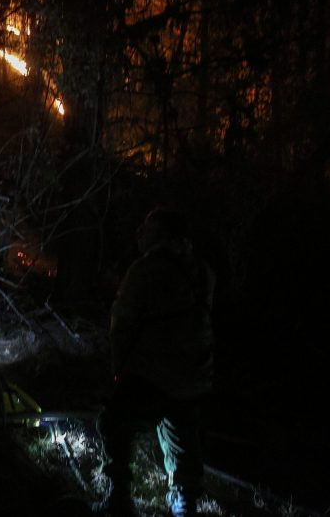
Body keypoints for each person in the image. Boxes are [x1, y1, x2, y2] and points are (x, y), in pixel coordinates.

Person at [98, 208, 216, 517]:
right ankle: (184, 501)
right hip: (194, 375)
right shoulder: (203, 270)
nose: (139, 232)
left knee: (115, 424)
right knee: (183, 436)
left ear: (162, 234)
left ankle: (119, 496)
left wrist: (118, 371)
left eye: (147, 227)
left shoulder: (145, 270)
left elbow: (121, 324)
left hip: (151, 373)